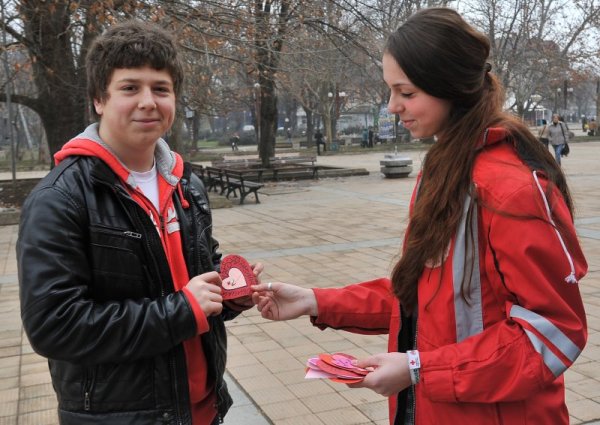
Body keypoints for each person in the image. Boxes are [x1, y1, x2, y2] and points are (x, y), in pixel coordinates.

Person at [253, 8, 587, 425]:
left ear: (450, 88)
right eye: (390, 91)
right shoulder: (445, 169)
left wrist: (419, 370)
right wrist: (316, 300)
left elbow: (552, 334)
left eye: (406, 93)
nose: (392, 106)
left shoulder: (509, 188)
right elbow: (422, 302)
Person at [17, 20, 261, 425]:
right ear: (99, 99)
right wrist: (182, 310)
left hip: (202, 410)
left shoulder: (187, 184)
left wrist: (230, 295)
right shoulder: (60, 198)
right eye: (130, 88)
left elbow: (195, 283)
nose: (148, 101)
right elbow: (54, 326)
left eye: (161, 89)